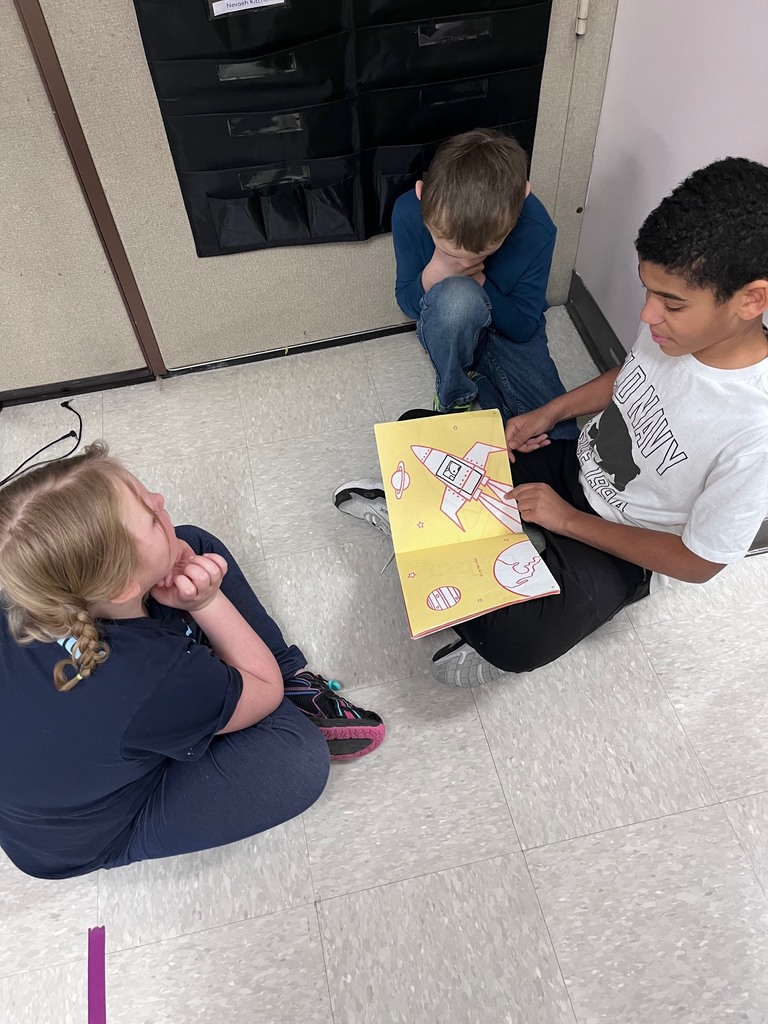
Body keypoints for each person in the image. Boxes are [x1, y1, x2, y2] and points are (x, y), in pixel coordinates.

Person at [337, 157, 768, 686]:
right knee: (419, 433)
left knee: (518, 644)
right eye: (647, 292)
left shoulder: (756, 431)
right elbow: (631, 375)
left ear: (752, 300)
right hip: (577, 463)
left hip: (628, 541)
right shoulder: (680, 331)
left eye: (670, 304)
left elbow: (700, 563)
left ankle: (470, 553)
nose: (647, 316)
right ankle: (473, 545)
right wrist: (549, 412)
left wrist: (565, 520)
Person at [0, 444, 384, 879]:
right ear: (124, 586)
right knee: (295, 762)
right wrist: (206, 601)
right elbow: (263, 685)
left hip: (51, 778)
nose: (160, 499)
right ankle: (275, 685)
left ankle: (255, 693)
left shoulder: (22, 577)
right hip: (90, 834)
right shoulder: (153, 677)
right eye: (148, 512)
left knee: (191, 547)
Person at [392, 127, 576, 437]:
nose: (463, 263)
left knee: (557, 432)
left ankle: (480, 378)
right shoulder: (409, 211)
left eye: (484, 250)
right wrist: (437, 271)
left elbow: (523, 327)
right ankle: (456, 392)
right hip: (450, 319)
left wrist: (480, 280)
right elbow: (409, 303)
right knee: (457, 299)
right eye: (450, 249)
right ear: (422, 194)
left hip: (508, 330)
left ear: (522, 198)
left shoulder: (538, 229)